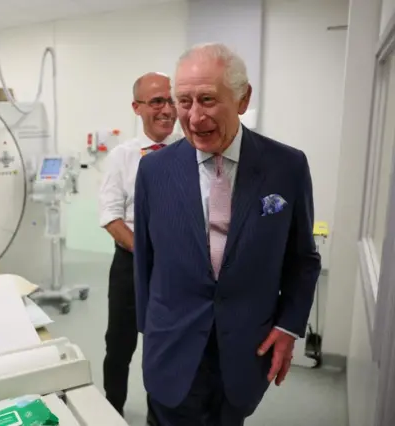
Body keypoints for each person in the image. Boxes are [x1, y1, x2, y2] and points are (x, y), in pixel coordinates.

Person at [133, 44, 322, 426]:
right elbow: (145, 262)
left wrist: (288, 326)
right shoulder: (154, 171)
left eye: (207, 99)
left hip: (247, 348)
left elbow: (303, 259)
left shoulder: (286, 166)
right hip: (172, 347)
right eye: (183, 101)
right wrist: (150, 332)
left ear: (242, 98)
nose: (194, 116)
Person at [98, 72, 179, 416]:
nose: (167, 109)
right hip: (131, 265)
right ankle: (111, 411)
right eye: (157, 101)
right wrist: (148, 254)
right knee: (119, 345)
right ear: (137, 107)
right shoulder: (123, 156)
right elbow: (111, 216)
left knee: (164, 348)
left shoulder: (190, 152)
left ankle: (158, 417)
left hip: (177, 268)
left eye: (172, 100)